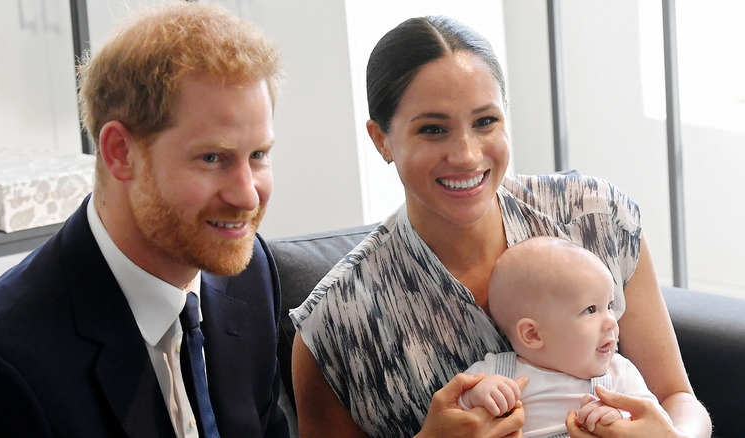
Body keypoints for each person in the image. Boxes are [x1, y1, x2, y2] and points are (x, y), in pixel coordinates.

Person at [290, 14, 711, 438]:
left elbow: (677, 396)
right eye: (433, 129)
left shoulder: (595, 218)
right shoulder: (335, 325)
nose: (468, 155)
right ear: (381, 139)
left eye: (485, 121)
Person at [0, 2, 289, 437]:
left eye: (258, 155)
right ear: (120, 152)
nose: (247, 196)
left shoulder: (250, 274)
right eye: (212, 158)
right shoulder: (11, 359)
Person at [458, 236, 670, 437]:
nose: (612, 322)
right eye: (590, 310)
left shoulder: (620, 373)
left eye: (610, 306)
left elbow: (659, 424)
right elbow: (451, 419)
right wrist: (473, 398)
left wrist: (621, 418)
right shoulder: (494, 374)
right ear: (532, 334)